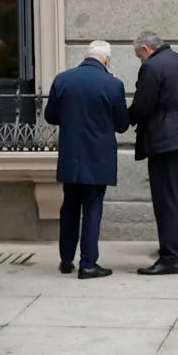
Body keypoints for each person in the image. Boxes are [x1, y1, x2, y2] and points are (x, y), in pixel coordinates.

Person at [45, 40, 128, 279]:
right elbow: (122, 124)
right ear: (107, 60)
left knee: (69, 206)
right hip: (99, 157)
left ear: (85, 56)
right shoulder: (113, 84)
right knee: (92, 209)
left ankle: (66, 259)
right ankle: (89, 263)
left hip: (71, 154)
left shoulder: (63, 79)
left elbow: (50, 116)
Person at [130, 30, 178, 274]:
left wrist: (122, 119)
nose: (140, 60)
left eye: (138, 55)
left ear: (145, 49)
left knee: (167, 202)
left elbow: (143, 105)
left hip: (166, 141)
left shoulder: (152, 67)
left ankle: (169, 258)